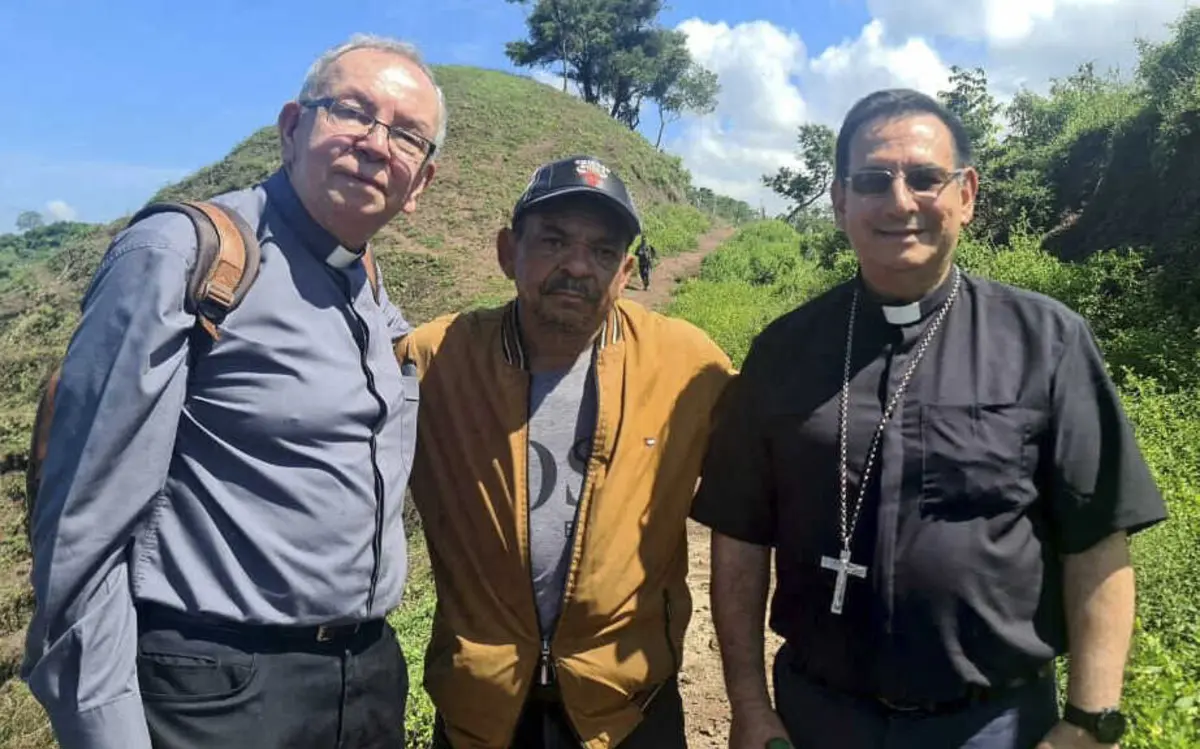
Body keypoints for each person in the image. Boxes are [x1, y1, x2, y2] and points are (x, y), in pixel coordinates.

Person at [692, 89, 1168, 749]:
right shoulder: (783, 351)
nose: (899, 201)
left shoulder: (1047, 341)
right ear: (839, 202)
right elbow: (740, 537)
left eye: (924, 178)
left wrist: (1090, 721)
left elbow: (1098, 536)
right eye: (872, 180)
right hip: (818, 716)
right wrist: (748, 704)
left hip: (995, 724)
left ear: (966, 194)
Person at [21, 34, 445, 749]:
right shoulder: (185, 256)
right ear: (291, 127)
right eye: (352, 112)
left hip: (363, 681)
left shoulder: (369, 289)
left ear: (420, 186)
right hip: (220, 692)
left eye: (406, 135)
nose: (377, 144)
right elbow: (81, 534)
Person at [396, 155, 735, 749]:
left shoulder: (688, 366)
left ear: (625, 271)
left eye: (604, 252)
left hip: (629, 707)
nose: (578, 265)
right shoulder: (434, 361)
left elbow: (767, 477)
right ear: (508, 251)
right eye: (553, 241)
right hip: (483, 707)